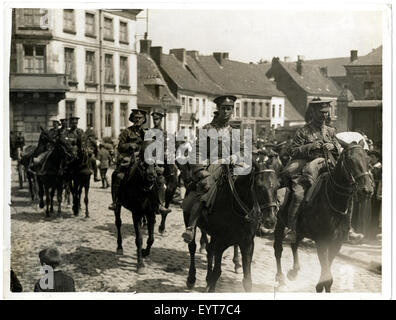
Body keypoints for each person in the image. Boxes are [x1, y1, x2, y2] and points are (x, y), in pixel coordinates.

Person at [182, 95, 244, 243]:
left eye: (230, 108)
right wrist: (200, 170)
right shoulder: (208, 129)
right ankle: (191, 226)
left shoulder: (235, 131)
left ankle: (254, 220)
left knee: (248, 186)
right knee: (205, 188)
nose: (227, 112)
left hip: (233, 166)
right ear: (218, 109)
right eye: (224, 108)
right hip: (212, 166)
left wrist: (236, 158)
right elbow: (197, 151)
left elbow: (242, 150)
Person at [280, 97, 342, 243]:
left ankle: (346, 226)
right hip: (306, 170)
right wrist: (311, 147)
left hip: (328, 167)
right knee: (298, 194)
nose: (324, 116)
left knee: (344, 189)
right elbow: (293, 151)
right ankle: (291, 228)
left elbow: (339, 148)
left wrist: (333, 147)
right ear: (313, 112)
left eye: (326, 112)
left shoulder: (331, 131)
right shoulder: (303, 131)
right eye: (321, 112)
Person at [151, 110, 172, 215]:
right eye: (154, 119)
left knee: (165, 180)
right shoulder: (149, 132)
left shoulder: (164, 133)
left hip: (160, 161)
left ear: (161, 120)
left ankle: (160, 204)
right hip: (150, 159)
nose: (155, 121)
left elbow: (165, 146)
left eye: (157, 119)